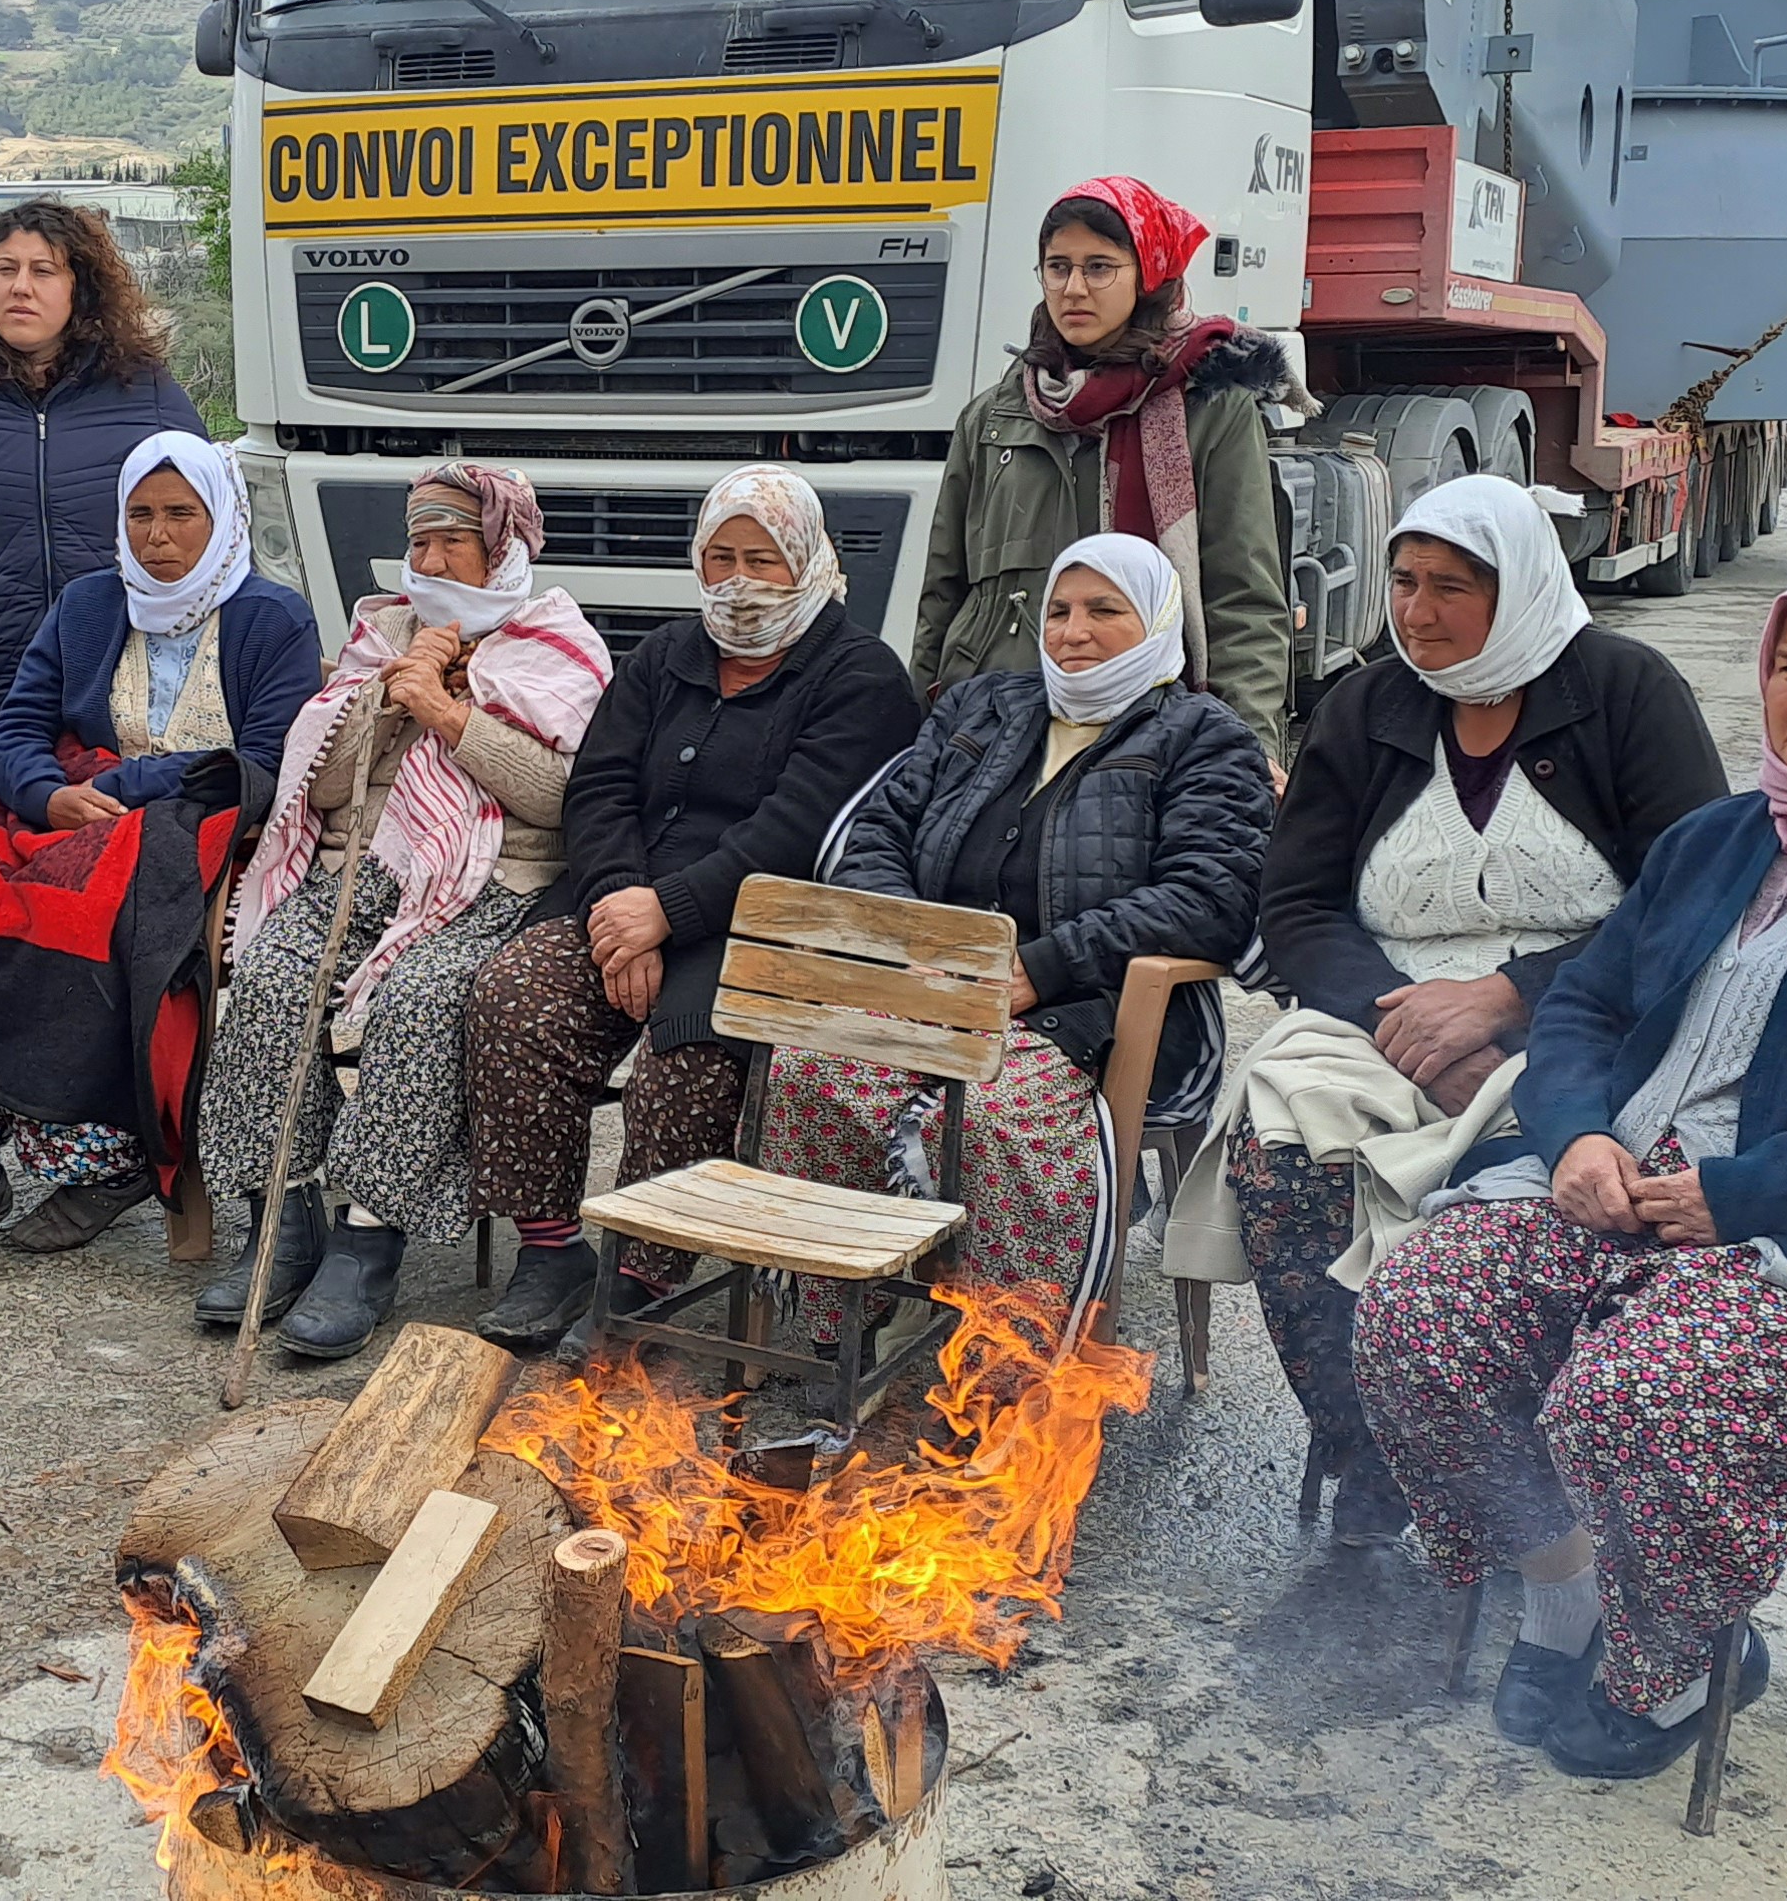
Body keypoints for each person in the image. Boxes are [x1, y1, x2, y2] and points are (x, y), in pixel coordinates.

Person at [1353, 561, 1787, 1781]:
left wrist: (1740, 1195)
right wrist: (1578, 1134)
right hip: (1623, 1182)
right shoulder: (1722, 840)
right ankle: (1564, 1599)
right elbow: (1584, 1004)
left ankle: (1678, 1656)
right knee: (1419, 1311)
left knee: (1644, 1394)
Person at [1181, 475, 1723, 1545]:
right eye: (1403, 581)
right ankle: (1372, 1445)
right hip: (1384, 1014)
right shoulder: (1367, 708)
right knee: (1283, 1155)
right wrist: (1413, 1026)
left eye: (1449, 588)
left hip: (1586, 1020)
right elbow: (1295, 906)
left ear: (1515, 587)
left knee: (1534, 1194)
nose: (1415, 613)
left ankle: (1517, 1470)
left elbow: (1693, 900)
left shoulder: (1624, 692)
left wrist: (1509, 999)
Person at [762, 536, 1271, 1333]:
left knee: (986, 1121)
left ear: (1159, 622)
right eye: (1059, 611)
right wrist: (915, 942)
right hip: (933, 984)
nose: (1073, 632)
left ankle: (1008, 1359)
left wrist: (1040, 966)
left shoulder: (1202, 737)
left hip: (1089, 1012)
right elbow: (878, 832)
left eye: (1105, 610)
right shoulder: (982, 706)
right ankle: (843, 1325)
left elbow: (1210, 895)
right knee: (811, 1075)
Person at [465, 465, 921, 1346]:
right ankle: (552, 1249)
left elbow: (800, 825)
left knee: (692, 1056)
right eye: (720, 558)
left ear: (809, 559)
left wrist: (667, 912)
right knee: (514, 996)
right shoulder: (664, 656)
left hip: (761, 922)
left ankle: (641, 1272)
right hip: (620, 904)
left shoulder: (860, 676)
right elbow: (597, 790)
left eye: (763, 558)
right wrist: (618, 909)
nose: (740, 580)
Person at [197, 464, 608, 1358]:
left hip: (491, 885)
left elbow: (560, 799)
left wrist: (449, 715)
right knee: (269, 978)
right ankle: (283, 1213)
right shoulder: (380, 631)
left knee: (422, 1001)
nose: (426, 558)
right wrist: (386, 700)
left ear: (501, 548)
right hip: (358, 872)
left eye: (448, 541)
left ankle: (366, 1237)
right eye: (417, 540)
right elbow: (320, 774)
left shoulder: (558, 646)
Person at [0, 430, 320, 1261]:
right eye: (139, 514)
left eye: (181, 515)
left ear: (224, 521)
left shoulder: (271, 617)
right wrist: (47, 795)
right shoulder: (91, 604)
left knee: (106, 918)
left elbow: (271, 760)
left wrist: (126, 793)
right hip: (72, 811)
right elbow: (19, 726)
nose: (157, 537)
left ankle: (102, 1162)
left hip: (202, 825)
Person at [912, 176, 1303, 763]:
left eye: (1099, 267)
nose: (1073, 288)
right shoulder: (994, 416)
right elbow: (944, 592)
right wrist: (916, 727)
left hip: (1143, 730)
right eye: (1057, 267)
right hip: (989, 723)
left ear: (1147, 273)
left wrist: (1250, 753)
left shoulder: (1210, 410)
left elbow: (1242, 601)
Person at [0, 199, 207, 792]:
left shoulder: (148, 394)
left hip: (121, 681)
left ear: (81, 286)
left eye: (43, 271)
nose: (21, 287)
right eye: (5, 269)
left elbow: (209, 536)